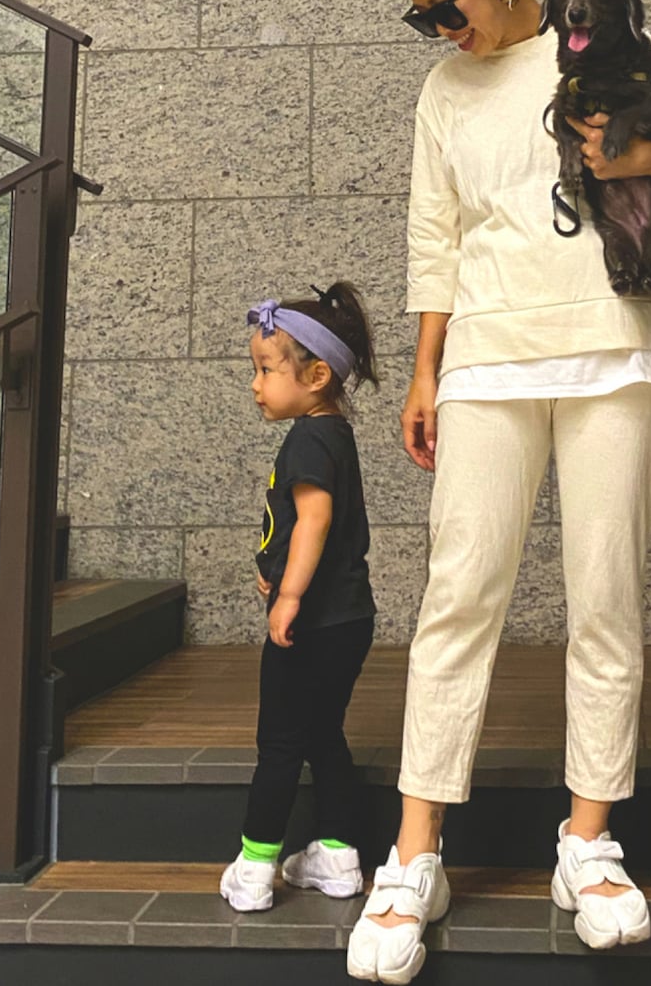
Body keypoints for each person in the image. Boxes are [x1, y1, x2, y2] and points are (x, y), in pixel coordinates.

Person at [346, 0, 651, 984]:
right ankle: (414, 855)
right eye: (423, 20)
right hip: (486, 356)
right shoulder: (445, 90)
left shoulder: (604, 45)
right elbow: (434, 237)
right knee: (458, 596)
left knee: (605, 598)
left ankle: (589, 842)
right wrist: (423, 374)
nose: (441, 33)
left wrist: (639, 156)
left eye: (445, 10)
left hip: (613, 346)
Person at [220, 282, 379, 913]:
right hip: (348, 619)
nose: (255, 385)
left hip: (311, 624)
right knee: (322, 734)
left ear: (316, 376)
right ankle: (337, 855)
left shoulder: (308, 441)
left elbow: (314, 520)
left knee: (281, 741)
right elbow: (313, 533)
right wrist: (279, 569)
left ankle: (255, 865)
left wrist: (288, 594)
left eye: (266, 370)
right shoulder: (333, 434)